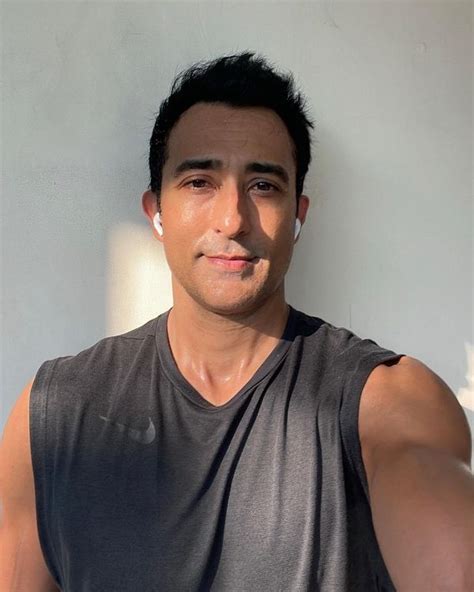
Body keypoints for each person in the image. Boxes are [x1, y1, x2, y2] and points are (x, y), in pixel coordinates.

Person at [1, 52, 472, 592]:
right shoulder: (55, 412)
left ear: (298, 217)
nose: (232, 220)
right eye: (199, 182)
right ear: (156, 212)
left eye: (263, 185)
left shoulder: (383, 402)